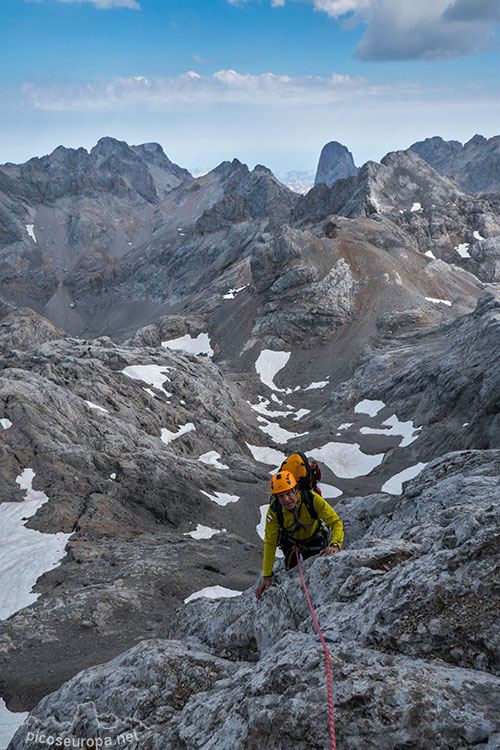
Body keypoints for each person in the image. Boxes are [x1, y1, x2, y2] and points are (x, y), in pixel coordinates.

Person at [255, 469, 344, 599]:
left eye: (289, 493)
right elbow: (270, 542)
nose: (286, 499)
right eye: (281, 496)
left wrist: (335, 544)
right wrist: (267, 576)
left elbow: (336, 522)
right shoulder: (274, 511)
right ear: (276, 497)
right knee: (293, 575)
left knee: (317, 574)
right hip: (291, 544)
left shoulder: (312, 499)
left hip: (314, 538)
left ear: (296, 489)